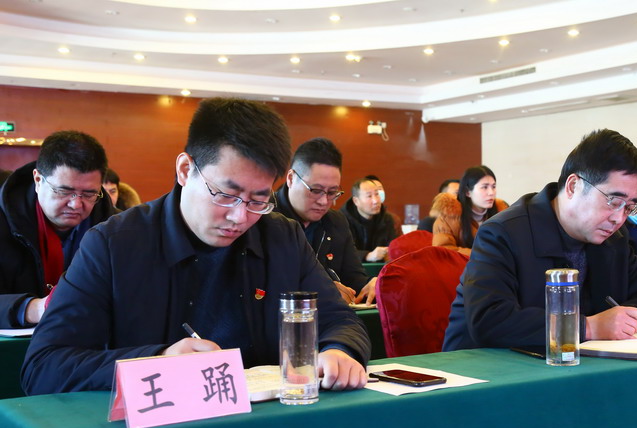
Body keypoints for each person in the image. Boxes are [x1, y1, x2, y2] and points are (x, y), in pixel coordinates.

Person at [22, 98, 370, 395]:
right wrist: (157, 361)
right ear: (185, 169)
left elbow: (340, 320)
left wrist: (339, 350)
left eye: (258, 200)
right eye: (225, 194)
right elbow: (43, 365)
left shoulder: (283, 237)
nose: (239, 217)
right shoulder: (113, 244)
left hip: (266, 424)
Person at [443, 129, 637, 351]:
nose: (619, 218)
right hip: (484, 370)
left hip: (572, 366)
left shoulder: (613, 240)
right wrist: (589, 327)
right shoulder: (502, 233)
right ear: (573, 186)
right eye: (614, 202)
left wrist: (626, 321)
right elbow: (490, 320)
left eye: (628, 207)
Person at [0, 130, 115, 328]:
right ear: (38, 180)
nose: (76, 204)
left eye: (89, 194)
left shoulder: (117, 228)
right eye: (63, 191)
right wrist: (34, 308)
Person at [274, 137, 376, 304]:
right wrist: (321, 289)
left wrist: (372, 285)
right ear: (291, 179)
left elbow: (354, 279)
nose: (323, 201)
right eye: (315, 190)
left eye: (332, 192)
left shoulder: (336, 222)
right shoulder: (263, 216)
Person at [432, 166, 507, 257]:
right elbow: (443, 250)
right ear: (468, 192)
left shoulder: (502, 213)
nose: (491, 192)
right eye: (484, 187)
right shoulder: (448, 217)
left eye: (493, 186)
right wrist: (483, 255)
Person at [341, 177, 396, 262]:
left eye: (377, 194)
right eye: (369, 196)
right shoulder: (342, 220)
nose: (376, 201)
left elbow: (393, 247)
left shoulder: (387, 219)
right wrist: (367, 255)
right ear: (356, 201)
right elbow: (341, 252)